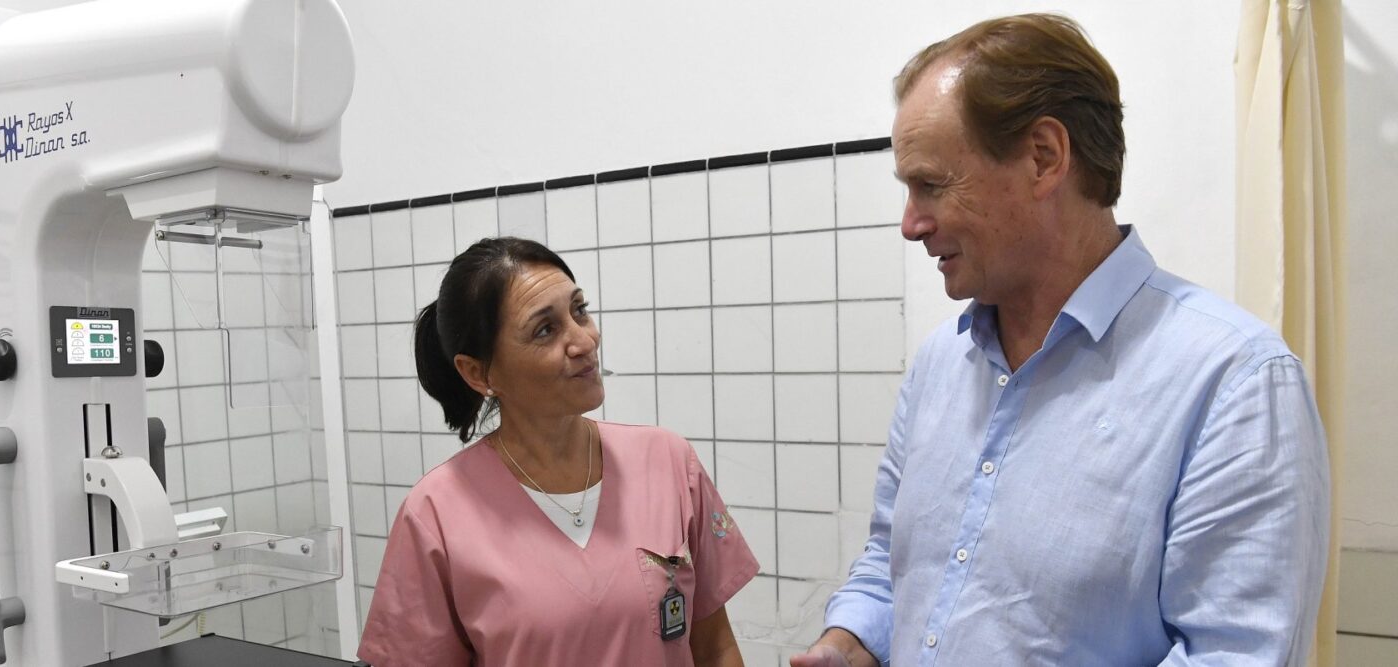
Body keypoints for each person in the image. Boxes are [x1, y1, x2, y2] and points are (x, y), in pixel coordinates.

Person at [793, 13, 1330, 667]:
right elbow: (890, 564)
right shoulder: (940, 364)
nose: (910, 223)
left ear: (1044, 157)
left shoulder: (1234, 383)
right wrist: (849, 642)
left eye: (930, 184)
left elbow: (1235, 653)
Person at [358, 237, 759, 666]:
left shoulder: (668, 461)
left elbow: (715, 647)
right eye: (545, 329)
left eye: (579, 310)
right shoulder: (435, 513)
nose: (585, 340)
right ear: (478, 372)